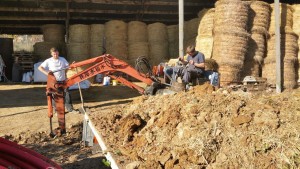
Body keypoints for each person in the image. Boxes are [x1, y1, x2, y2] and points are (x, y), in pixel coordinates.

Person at [38, 47, 75, 113]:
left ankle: (70, 109)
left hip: (63, 80)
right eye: (54, 54)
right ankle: (57, 110)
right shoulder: (48, 61)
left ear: (58, 53)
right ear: (51, 54)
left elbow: (68, 67)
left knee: (67, 94)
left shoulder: (62, 59)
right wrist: (47, 73)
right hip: (54, 81)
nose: (56, 55)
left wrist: (72, 66)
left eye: (57, 54)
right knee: (55, 95)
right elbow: (40, 68)